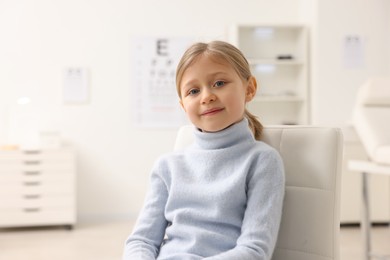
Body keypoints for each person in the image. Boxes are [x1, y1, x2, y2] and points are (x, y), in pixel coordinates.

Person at [123, 40, 285, 259]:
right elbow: (141, 241)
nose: (206, 96)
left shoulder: (262, 161)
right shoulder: (167, 166)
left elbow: (254, 250)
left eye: (219, 83)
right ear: (183, 105)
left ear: (249, 89)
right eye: (193, 91)